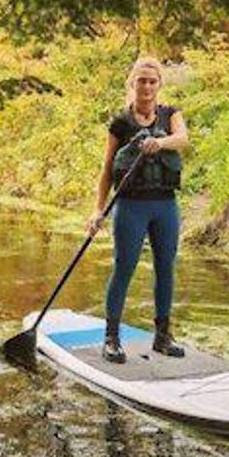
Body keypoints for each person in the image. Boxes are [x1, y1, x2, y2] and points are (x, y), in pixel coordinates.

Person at [87, 57, 190, 364]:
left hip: (165, 206)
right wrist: (98, 210)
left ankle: (162, 336)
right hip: (130, 206)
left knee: (165, 268)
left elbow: (183, 139)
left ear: (159, 85)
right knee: (124, 267)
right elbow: (106, 170)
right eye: (141, 81)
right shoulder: (121, 123)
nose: (146, 86)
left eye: (152, 81)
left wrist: (160, 144)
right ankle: (111, 338)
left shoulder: (170, 114)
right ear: (132, 84)